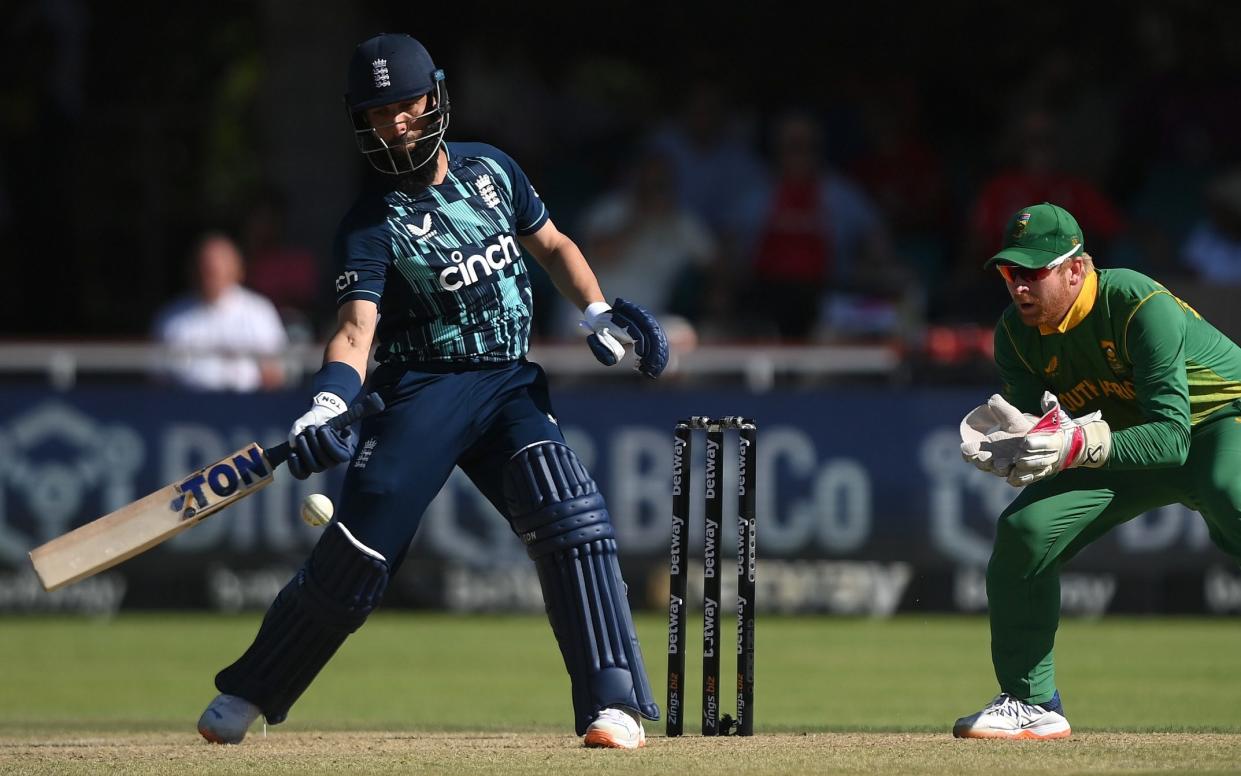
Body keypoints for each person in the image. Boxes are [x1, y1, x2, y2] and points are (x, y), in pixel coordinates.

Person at [195, 33, 668, 750]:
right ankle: (248, 692)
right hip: (420, 392)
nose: (395, 125)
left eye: (407, 106)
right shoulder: (370, 222)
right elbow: (355, 328)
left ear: (436, 97)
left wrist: (595, 308)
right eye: (378, 114)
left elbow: (555, 246)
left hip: (507, 385)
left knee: (571, 517)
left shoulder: (491, 170)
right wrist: (325, 401)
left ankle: (613, 706)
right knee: (356, 554)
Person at [956, 202, 1241, 739]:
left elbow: (1173, 436)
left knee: (1232, 495)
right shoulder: (1016, 336)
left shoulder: (1137, 303)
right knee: (1025, 531)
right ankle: (1030, 702)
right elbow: (1043, 432)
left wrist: (1072, 443)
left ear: (1076, 269)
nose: (1019, 288)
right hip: (1121, 446)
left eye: (1032, 273)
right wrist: (1019, 449)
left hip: (1216, 424)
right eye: (1010, 274)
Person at [151, 231, 288, 391]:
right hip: (186, 407)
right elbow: (158, 379)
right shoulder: (171, 317)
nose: (211, 275)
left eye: (217, 269)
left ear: (236, 269)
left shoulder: (259, 312)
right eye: (205, 268)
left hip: (247, 407)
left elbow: (276, 374)